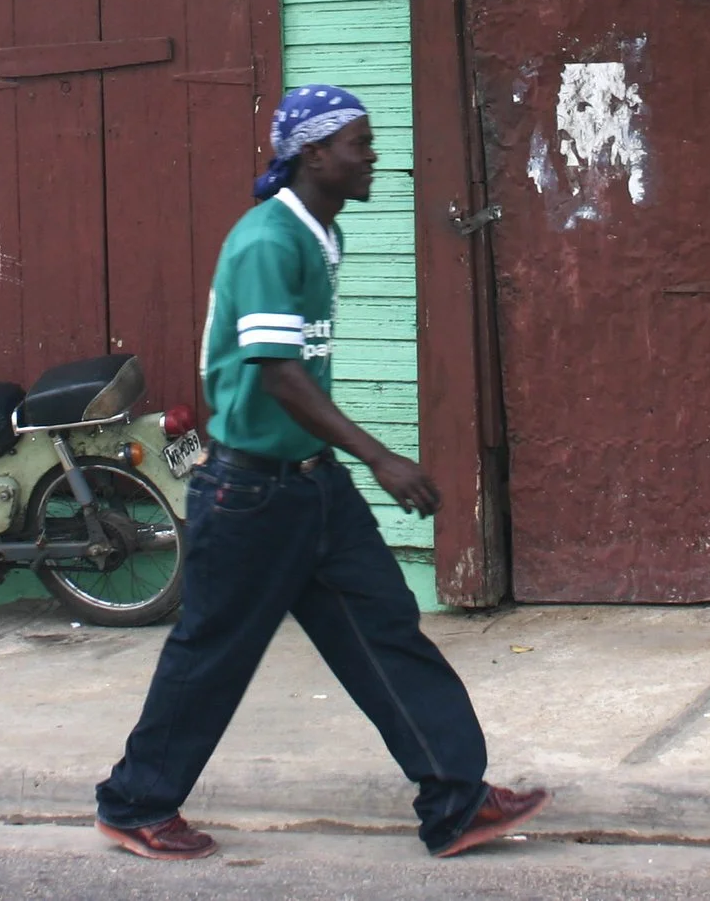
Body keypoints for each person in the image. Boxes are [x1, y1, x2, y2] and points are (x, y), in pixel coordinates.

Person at [94, 85, 548, 862]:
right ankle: (135, 803)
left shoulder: (317, 230)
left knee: (384, 628)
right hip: (249, 493)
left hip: (310, 483)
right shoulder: (270, 240)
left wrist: (345, 464)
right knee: (212, 651)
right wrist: (382, 455)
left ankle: (455, 799)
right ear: (313, 153)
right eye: (359, 144)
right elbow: (277, 374)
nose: (373, 157)